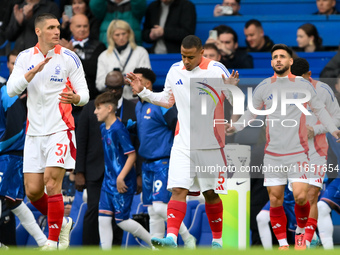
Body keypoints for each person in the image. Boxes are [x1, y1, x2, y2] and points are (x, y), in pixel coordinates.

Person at [126, 35, 239, 248]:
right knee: (178, 190)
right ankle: (171, 237)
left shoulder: (216, 70)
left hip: (210, 144)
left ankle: (217, 240)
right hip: (182, 143)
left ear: (201, 52)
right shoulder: (175, 70)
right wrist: (144, 92)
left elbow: (236, 101)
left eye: (190, 57)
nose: (186, 61)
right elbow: (168, 101)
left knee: (210, 193)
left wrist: (232, 89)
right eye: (183, 56)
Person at [226, 44, 340, 250]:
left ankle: (304, 235)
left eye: (282, 56)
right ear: (271, 62)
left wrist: (330, 129)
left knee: (303, 196)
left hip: (303, 152)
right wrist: (235, 127)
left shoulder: (311, 88)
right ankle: (284, 244)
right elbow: (251, 112)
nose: (278, 60)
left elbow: (324, 112)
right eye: (275, 57)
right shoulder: (264, 87)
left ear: (290, 62)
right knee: (276, 199)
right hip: (273, 154)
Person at [6, 13, 89, 250]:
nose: (57, 32)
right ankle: (62, 223)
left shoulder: (69, 58)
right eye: (51, 28)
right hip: (33, 133)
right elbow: (11, 90)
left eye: (58, 27)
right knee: (32, 192)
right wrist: (29, 74)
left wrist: (76, 98)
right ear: (38, 31)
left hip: (59, 129)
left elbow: (85, 94)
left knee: (52, 184)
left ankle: (53, 241)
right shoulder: (24, 57)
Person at [132, 67, 196, 248]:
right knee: (152, 211)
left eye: (136, 80)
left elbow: (177, 124)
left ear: (147, 84)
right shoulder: (139, 105)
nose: (131, 83)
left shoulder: (162, 104)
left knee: (160, 207)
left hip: (163, 161)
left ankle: (188, 237)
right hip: (147, 163)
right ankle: (156, 248)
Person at [74, 70, 137, 246]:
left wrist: (137, 174)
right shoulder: (93, 107)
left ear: (122, 87)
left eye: (117, 88)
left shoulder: (133, 108)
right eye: (110, 87)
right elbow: (81, 139)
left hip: (121, 172)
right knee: (94, 211)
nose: (113, 91)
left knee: (118, 217)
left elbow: (136, 144)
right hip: (94, 169)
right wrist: (78, 171)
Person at [0, 50, 48, 248]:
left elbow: (15, 131)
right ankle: (44, 243)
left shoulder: (8, 92)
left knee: (9, 199)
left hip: (11, 154)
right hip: (13, 154)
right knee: (14, 202)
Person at [291, 57, 340, 248]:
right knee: (299, 197)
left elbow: (337, 118)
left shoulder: (323, 90)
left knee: (312, 195)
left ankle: (307, 240)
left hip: (318, 151)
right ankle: (305, 233)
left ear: (309, 75)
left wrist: (316, 129)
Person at [94, 91, 152, 249]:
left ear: (110, 108)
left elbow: (132, 155)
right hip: (108, 181)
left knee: (122, 221)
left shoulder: (119, 129)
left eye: (98, 108)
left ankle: (154, 244)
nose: (95, 111)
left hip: (122, 181)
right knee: (103, 219)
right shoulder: (103, 128)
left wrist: (120, 178)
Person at [59, 14, 106, 126]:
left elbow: (93, 70)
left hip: (89, 102)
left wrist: (72, 54)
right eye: (78, 26)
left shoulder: (99, 46)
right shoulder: (60, 46)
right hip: (64, 101)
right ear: (71, 27)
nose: (82, 29)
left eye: (85, 26)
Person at [96, 19, 151, 100]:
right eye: (117, 35)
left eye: (123, 34)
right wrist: (115, 81)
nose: (121, 37)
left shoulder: (141, 52)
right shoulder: (104, 56)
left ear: (129, 34)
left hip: (135, 99)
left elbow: (147, 80)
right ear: (111, 36)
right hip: (112, 101)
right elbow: (99, 85)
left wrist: (129, 81)